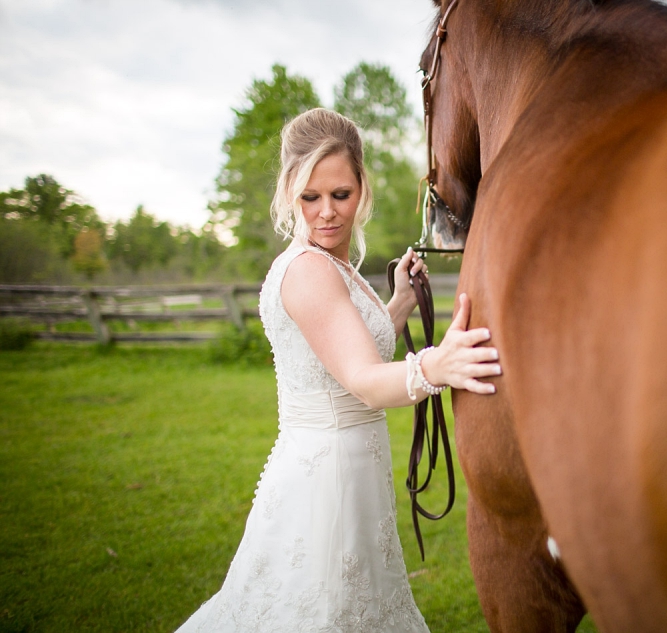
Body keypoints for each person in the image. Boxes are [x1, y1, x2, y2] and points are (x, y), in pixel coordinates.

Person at [176, 108, 500, 632]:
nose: (326, 212)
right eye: (310, 197)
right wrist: (437, 364)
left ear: (362, 188)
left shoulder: (335, 266)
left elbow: (349, 354)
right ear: (289, 194)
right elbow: (365, 383)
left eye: (340, 195)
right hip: (323, 484)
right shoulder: (308, 272)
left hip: (353, 475)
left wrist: (395, 308)